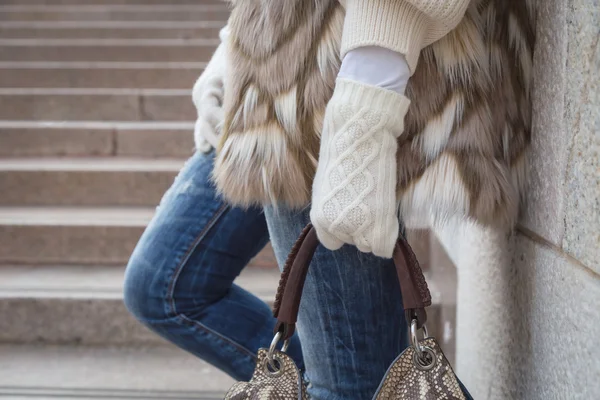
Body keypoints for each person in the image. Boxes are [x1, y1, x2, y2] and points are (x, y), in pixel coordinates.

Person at [125, 0, 534, 398]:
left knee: (352, 381)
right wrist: (234, 48)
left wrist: (363, 114)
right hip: (270, 78)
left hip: (339, 84)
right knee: (163, 284)